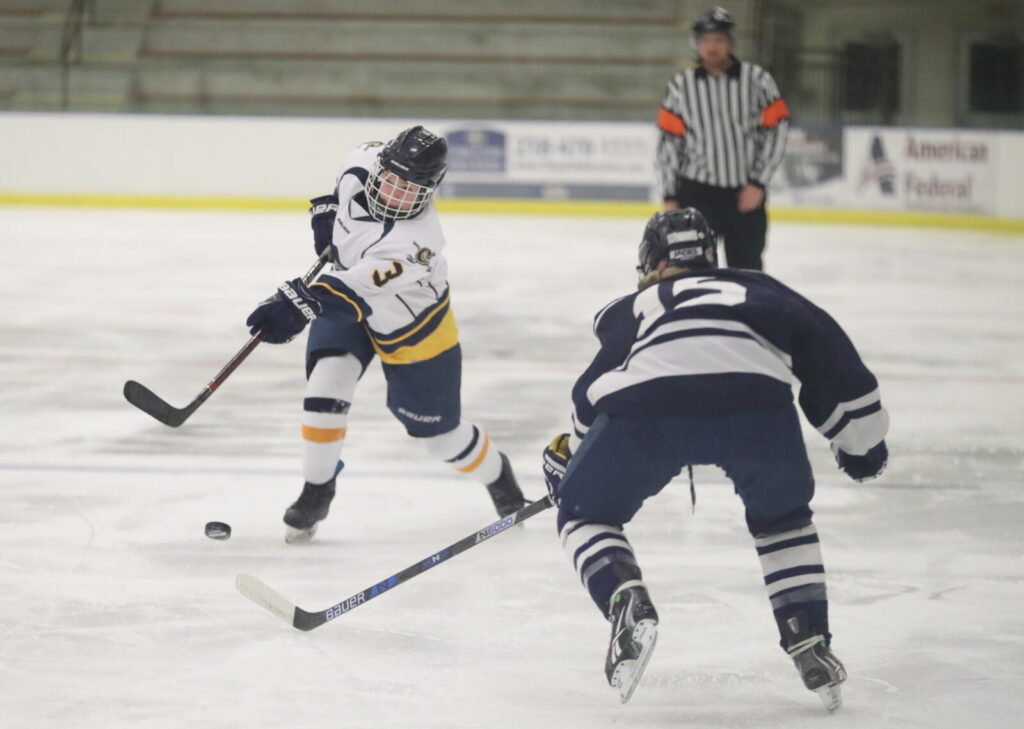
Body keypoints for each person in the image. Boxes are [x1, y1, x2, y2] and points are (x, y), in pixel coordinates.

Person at [541, 208, 888, 709]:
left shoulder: (635, 305)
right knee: (783, 520)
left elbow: (591, 391)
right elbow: (836, 365)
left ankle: (626, 598)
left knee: (584, 514)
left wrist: (571, 459)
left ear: (651, 261)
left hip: (647, 410)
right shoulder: (761, 290)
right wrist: (862, 444)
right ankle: (808, 637)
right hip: (755, 408)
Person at [245, 125, 526, 542]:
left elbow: (348, 290)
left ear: (429, 192)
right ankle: (317, 488)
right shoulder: (361, 158)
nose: (395, 196)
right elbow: (338, 192)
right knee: (325, 387)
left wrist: (295, 303)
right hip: (350, 301)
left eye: (409, 191)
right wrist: (327, 214)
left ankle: (498, 474)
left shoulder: (417, 243)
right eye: (391, 182)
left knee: (438, 436)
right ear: (379, 168)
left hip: (412, 324)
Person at [655, 6, 789, 270]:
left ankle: (742, 313)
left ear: (730, 42)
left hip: (744, 194)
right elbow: (669, 143)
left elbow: (778, 129)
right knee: (691, 270)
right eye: (705, 40)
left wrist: (758, 182)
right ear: (696, 44)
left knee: (747, 271)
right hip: (697, 192)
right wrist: (670, 194)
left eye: (718, 39)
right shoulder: (681, 86)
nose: (711, 47)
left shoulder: (758, 80)